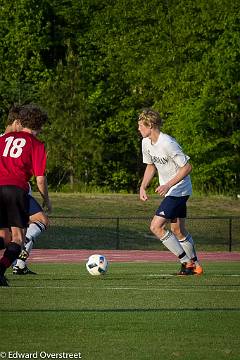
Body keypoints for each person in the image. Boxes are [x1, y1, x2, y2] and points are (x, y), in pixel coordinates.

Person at [138, 108, 203, 275]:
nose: (139, 129)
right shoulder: (146, 143)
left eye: (141, 125)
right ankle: (196, 266)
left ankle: (186, 262)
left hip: (179, 189)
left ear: (150, 125)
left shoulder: (167, 142)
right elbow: (151, 166)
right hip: (171, 191)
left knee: (156, 226)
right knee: (178, 230)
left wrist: (167, 185)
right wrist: (143, 186)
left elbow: (187, 167)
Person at [0, 104, 51, 286]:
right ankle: (0, 270)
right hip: (15, 190)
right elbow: (40, 179)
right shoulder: (36, 144)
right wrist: (47, 199)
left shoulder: (4, 139)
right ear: (40, 125)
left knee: (4, 238)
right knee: (18, 239)